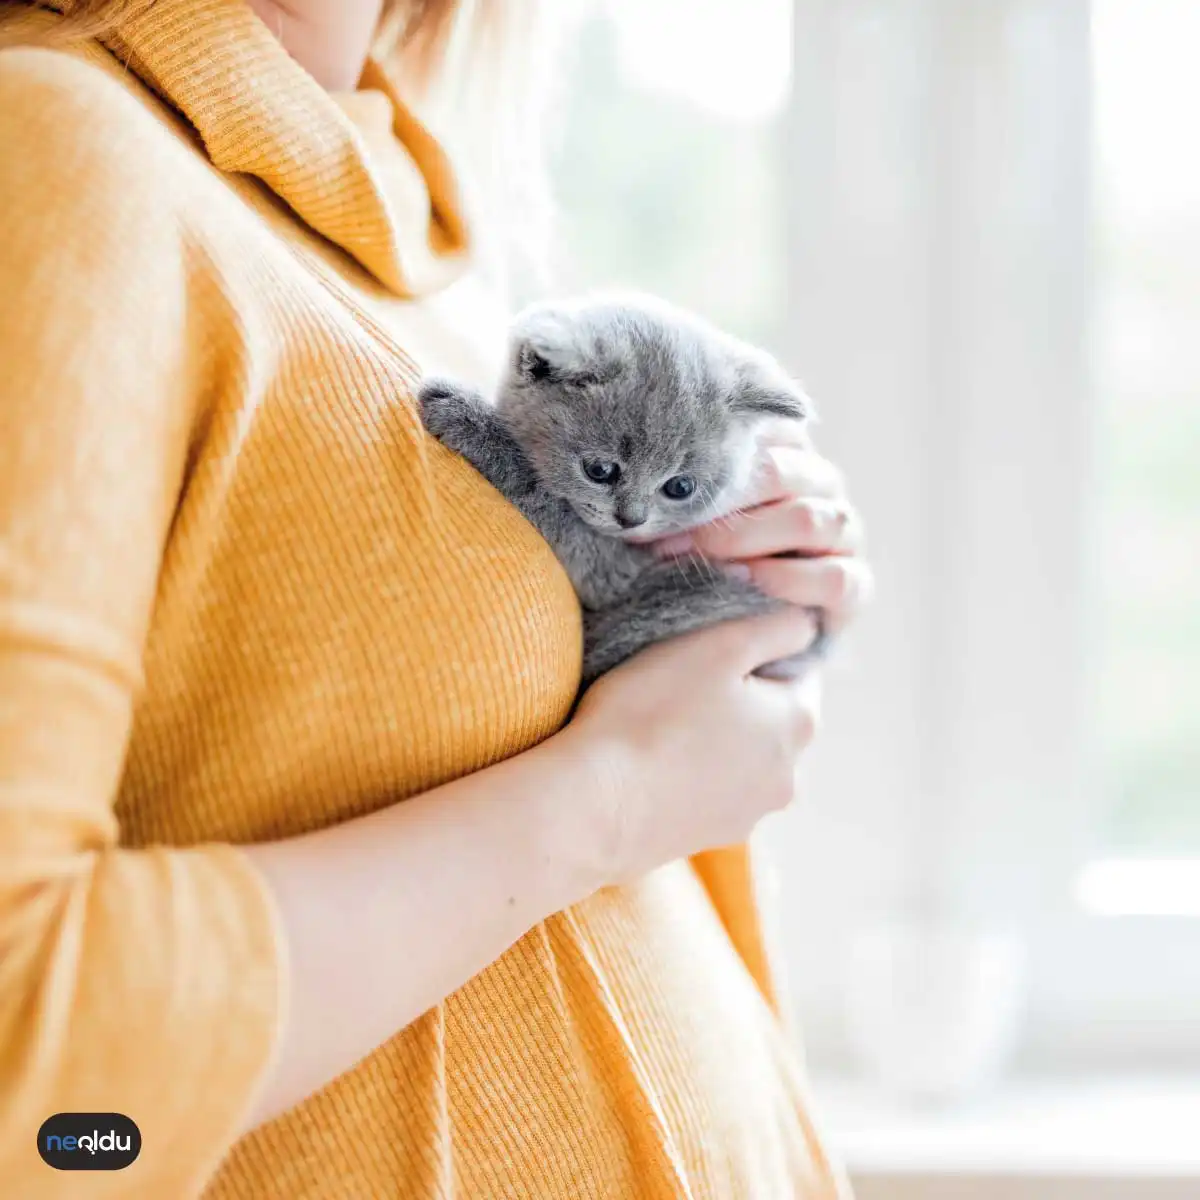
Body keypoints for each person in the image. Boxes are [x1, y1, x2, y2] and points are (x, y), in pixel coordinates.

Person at [0, 0, 873, 1196]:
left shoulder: (422, 254)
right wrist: (610, 798)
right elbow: (30, 1093)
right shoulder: (52, 147)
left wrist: (729, 604)